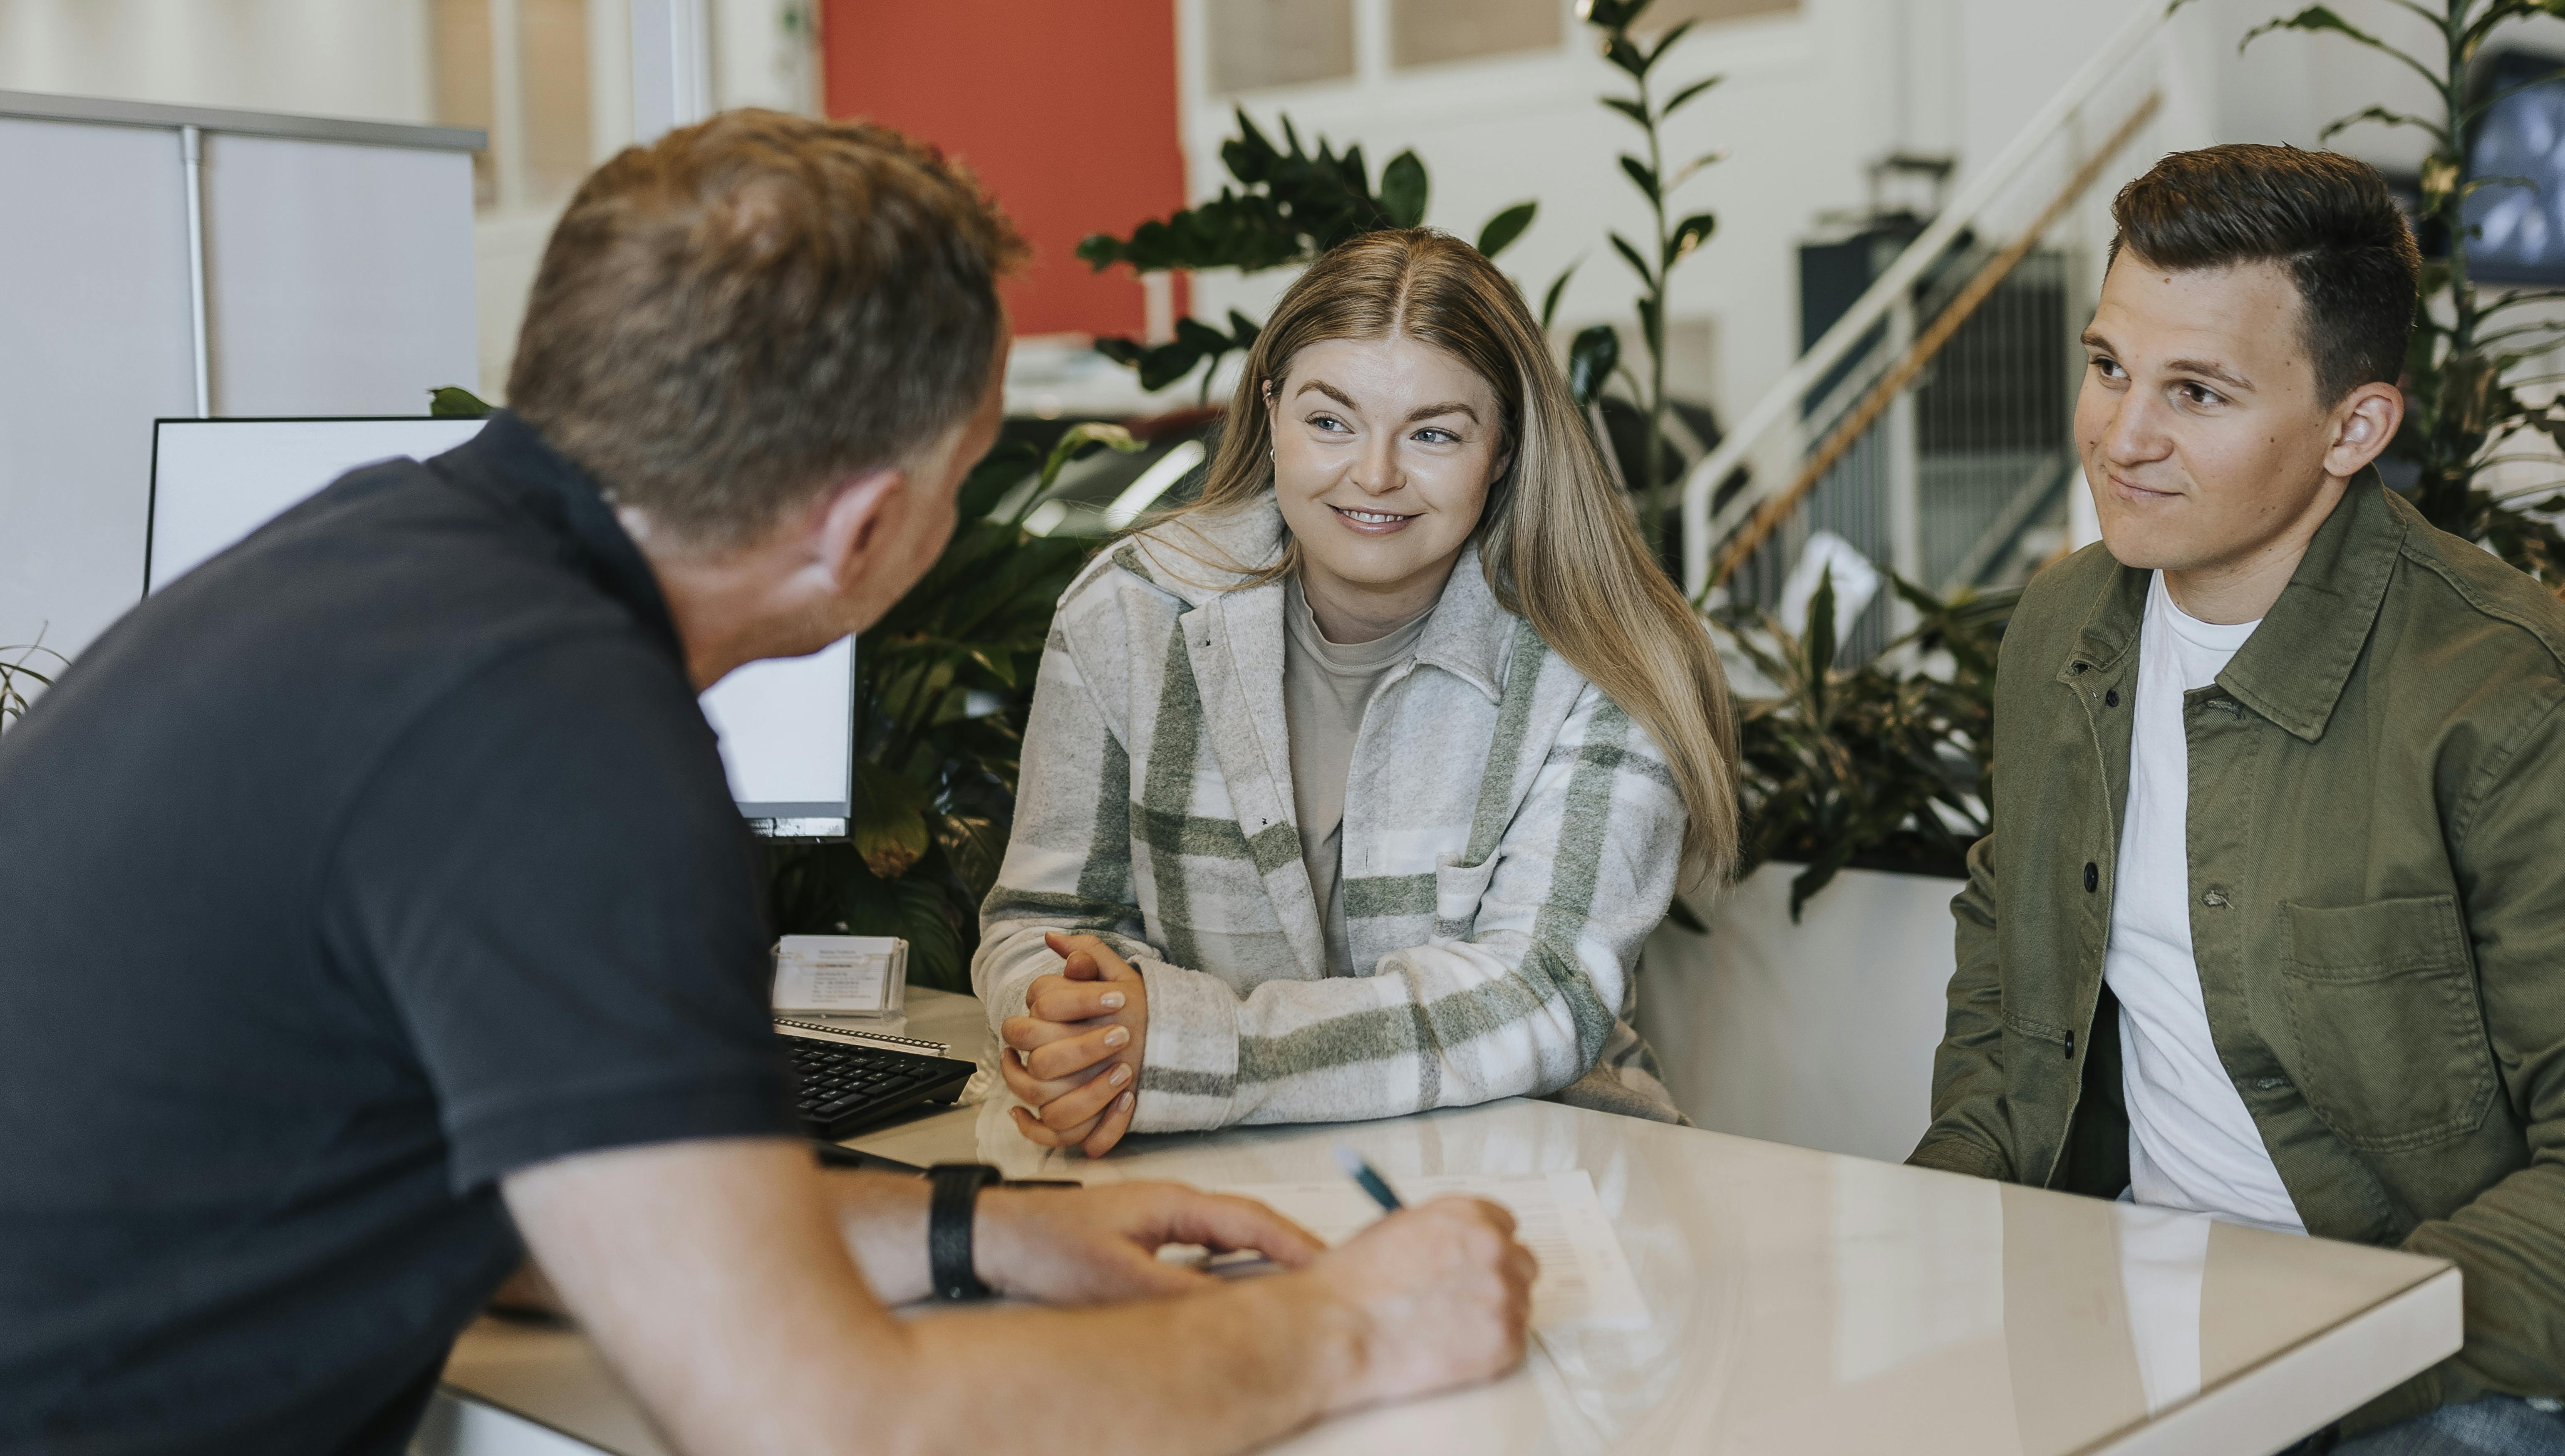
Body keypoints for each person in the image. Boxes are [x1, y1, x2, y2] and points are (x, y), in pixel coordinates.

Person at [0, 112, 1536, 1456]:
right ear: (863, 526)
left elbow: (556, 1211)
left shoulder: (380, 564)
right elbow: (821, 1422)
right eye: (968, 470)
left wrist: (982, 1233)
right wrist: (1355, 1332)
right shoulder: (555, 742)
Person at [1908, 145, 2565, 1456]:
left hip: (2500, 1369)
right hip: (2170, 1316)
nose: (2121, 436)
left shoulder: (2545, 713)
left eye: (2198, 391)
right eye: (2110, 365)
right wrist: (1923, 1250)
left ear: (2354, 427)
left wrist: (2296, 1358)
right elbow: (2012, 997)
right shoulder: (2063, 627)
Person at [976, 228, 1737, 1156]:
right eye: (1329, 421)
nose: (1374, 475)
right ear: (1269, 412)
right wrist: (1073, 1033)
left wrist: (1187, 1051)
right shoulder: (1132, 610)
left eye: (1432, 433)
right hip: (1202, 1163)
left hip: (1541, 1175)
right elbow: (1047, 922)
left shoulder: (1605, 656)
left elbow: (1544, 994)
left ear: (1501, 449)